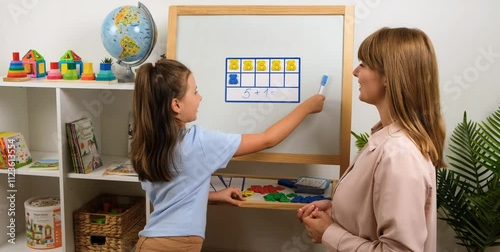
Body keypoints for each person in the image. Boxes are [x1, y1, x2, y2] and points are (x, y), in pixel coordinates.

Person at [131, 59, 325, 252]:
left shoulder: (148, 145)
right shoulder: (198, 143)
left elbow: (174, 194)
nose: (200, 98)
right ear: (176, 105)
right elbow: (268, 139)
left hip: (151, 240)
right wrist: (307, 107)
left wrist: (215, 196)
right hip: (175, 246)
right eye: (195, 91)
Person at [297, 27, 446, 252]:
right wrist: (337, 213)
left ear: (388, 77)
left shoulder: (399, 153)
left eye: (364, 64)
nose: (356, 72)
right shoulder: (386, 139)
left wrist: (329, 233)